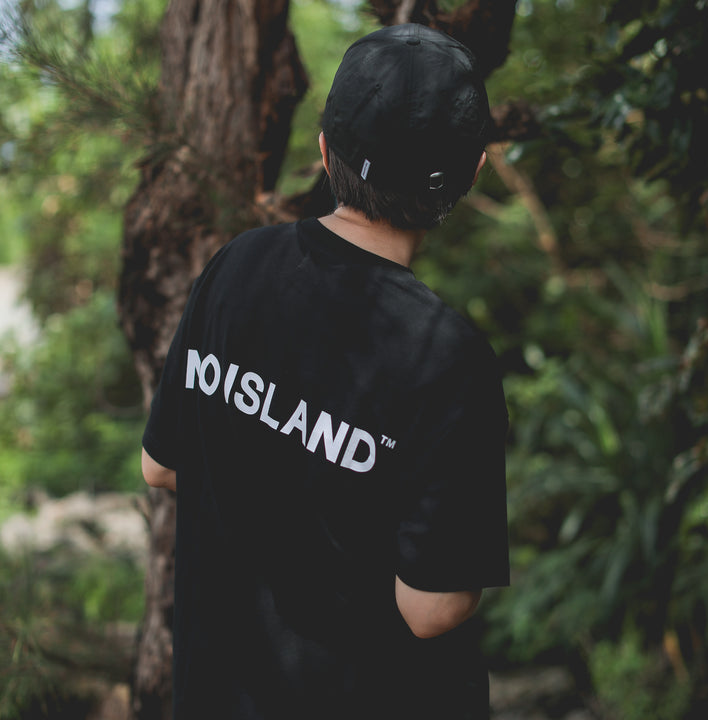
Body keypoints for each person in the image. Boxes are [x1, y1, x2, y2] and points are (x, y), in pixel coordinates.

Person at [141, 22, 509, 720]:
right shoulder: (446, 355)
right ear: (471, 173)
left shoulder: (236, 264)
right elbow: (432, 608)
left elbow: (162, 465)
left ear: (324, 149)